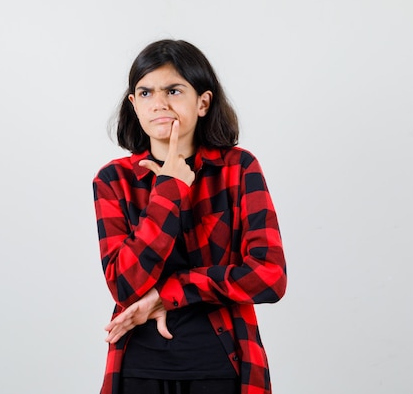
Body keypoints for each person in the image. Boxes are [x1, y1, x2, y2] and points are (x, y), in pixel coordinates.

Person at [92, 39, 287, 394]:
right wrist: (169, 187)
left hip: (221, 366)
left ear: (202, 102)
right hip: (139, 368)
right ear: (134, 105)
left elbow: (270, 277)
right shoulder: (113, 180)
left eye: (173, 90)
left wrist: (169, 293)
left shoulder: (238, 169)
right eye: (146, 92)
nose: (159, 103)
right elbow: (124, 285)